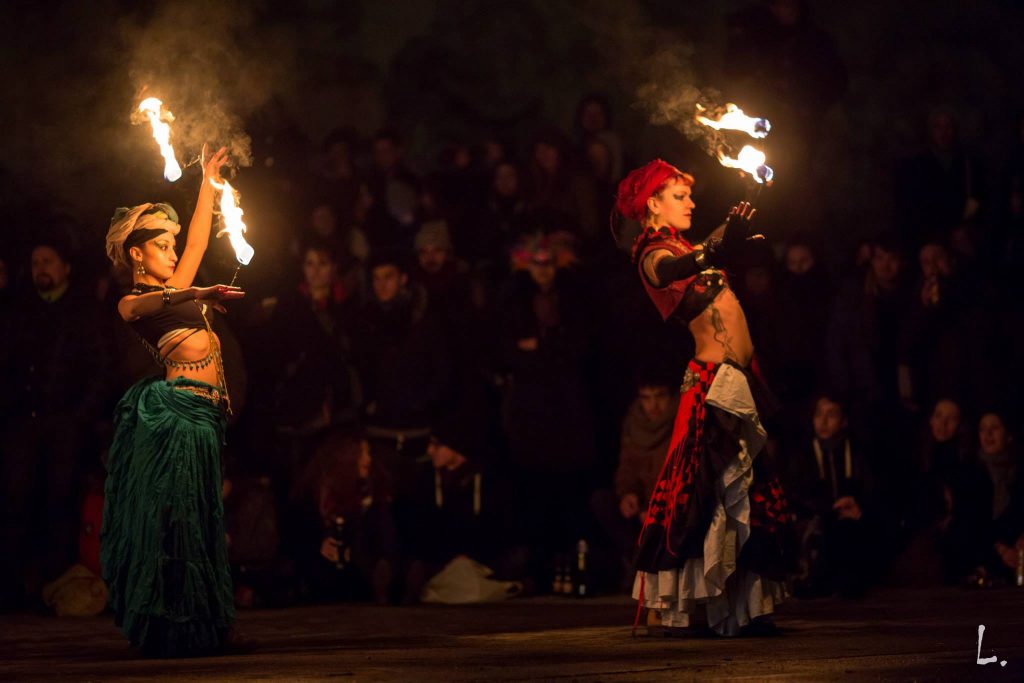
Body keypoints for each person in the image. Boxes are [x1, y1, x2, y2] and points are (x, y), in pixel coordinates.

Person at [615, 159, 788, 637]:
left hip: (736, 379)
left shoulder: (686, 247)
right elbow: (670, 269)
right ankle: (685, 608)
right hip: (711, 382)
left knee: (743, 493)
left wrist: (727, 236)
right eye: (678, 195)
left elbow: (701, 256)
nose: (690, 201)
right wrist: (718, 241)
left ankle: (743, 607)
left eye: (689, 195)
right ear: (652, 203)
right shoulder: (652, 251)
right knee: (703, 495)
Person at [99, 145, 246, 657]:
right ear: (137, 254)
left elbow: (201, 240)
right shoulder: (136, 303)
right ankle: (171, 627)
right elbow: (147, 301)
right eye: (160, 245)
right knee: (178, 520)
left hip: (204, 419)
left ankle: (203, 624)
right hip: (176, 417)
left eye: (170, 245)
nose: (170, 252)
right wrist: (195, 293)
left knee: (202, 520)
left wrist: (207, 180)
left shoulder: (178, 289)